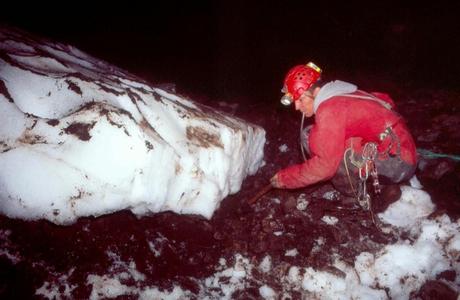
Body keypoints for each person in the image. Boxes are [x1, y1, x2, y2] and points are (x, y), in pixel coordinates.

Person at [271, 62, 417, 208]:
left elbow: (325, 166)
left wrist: (286, 179)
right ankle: (383, 184)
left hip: (398, 163)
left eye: (301, 99)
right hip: (402, 152)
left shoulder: (330, 109)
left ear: (315, 92)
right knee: (311, 135)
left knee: (333, 154)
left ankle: (357, 195)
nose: (297, 107)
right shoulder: (342, 93)